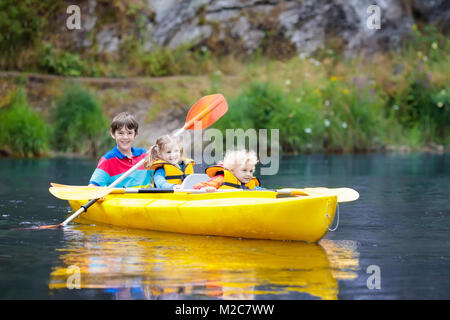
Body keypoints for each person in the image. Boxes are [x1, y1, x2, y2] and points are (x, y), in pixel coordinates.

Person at [88, 112, 151, 188]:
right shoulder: (108, 160)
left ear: (136, 134)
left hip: (144, 199)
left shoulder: (144, 155)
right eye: (121, 133)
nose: (125, 137)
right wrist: (98, 192)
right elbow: (93, 186)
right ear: (113, 134)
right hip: (120, 199)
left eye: (129, 133)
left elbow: (160, 175)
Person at [194, 149, 263, 191]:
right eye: (244, 170)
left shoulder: (251, 184)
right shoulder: (221, 179)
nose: (248, 174)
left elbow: (262, 191)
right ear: (232, 170)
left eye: (251, 171)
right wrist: (205, 189)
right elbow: (197, 187)